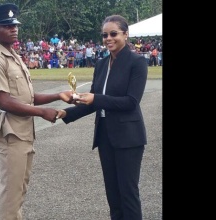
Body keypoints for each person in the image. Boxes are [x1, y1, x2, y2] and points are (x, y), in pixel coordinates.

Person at [0, 3, 73, 220]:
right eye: (6, 25)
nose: (14, 29)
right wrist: (42, 113)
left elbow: (27, 97)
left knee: (19, 190)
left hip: (22, 133)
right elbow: (4, 101)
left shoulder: (12, 55)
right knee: (11, 195)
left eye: (15, 25)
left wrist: (59, 95)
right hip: (12, 135)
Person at [57, 14, 148, 220]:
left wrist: (96, 98)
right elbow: (92, 103)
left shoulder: (137, 62)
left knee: (128, 193)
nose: (108, 38)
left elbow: (131, 102)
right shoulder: (101, 64)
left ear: (126, 34)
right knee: (113, 195)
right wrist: (65, 113)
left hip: (128, 137)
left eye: (113, 33)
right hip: (105, 135)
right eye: (105, 35)